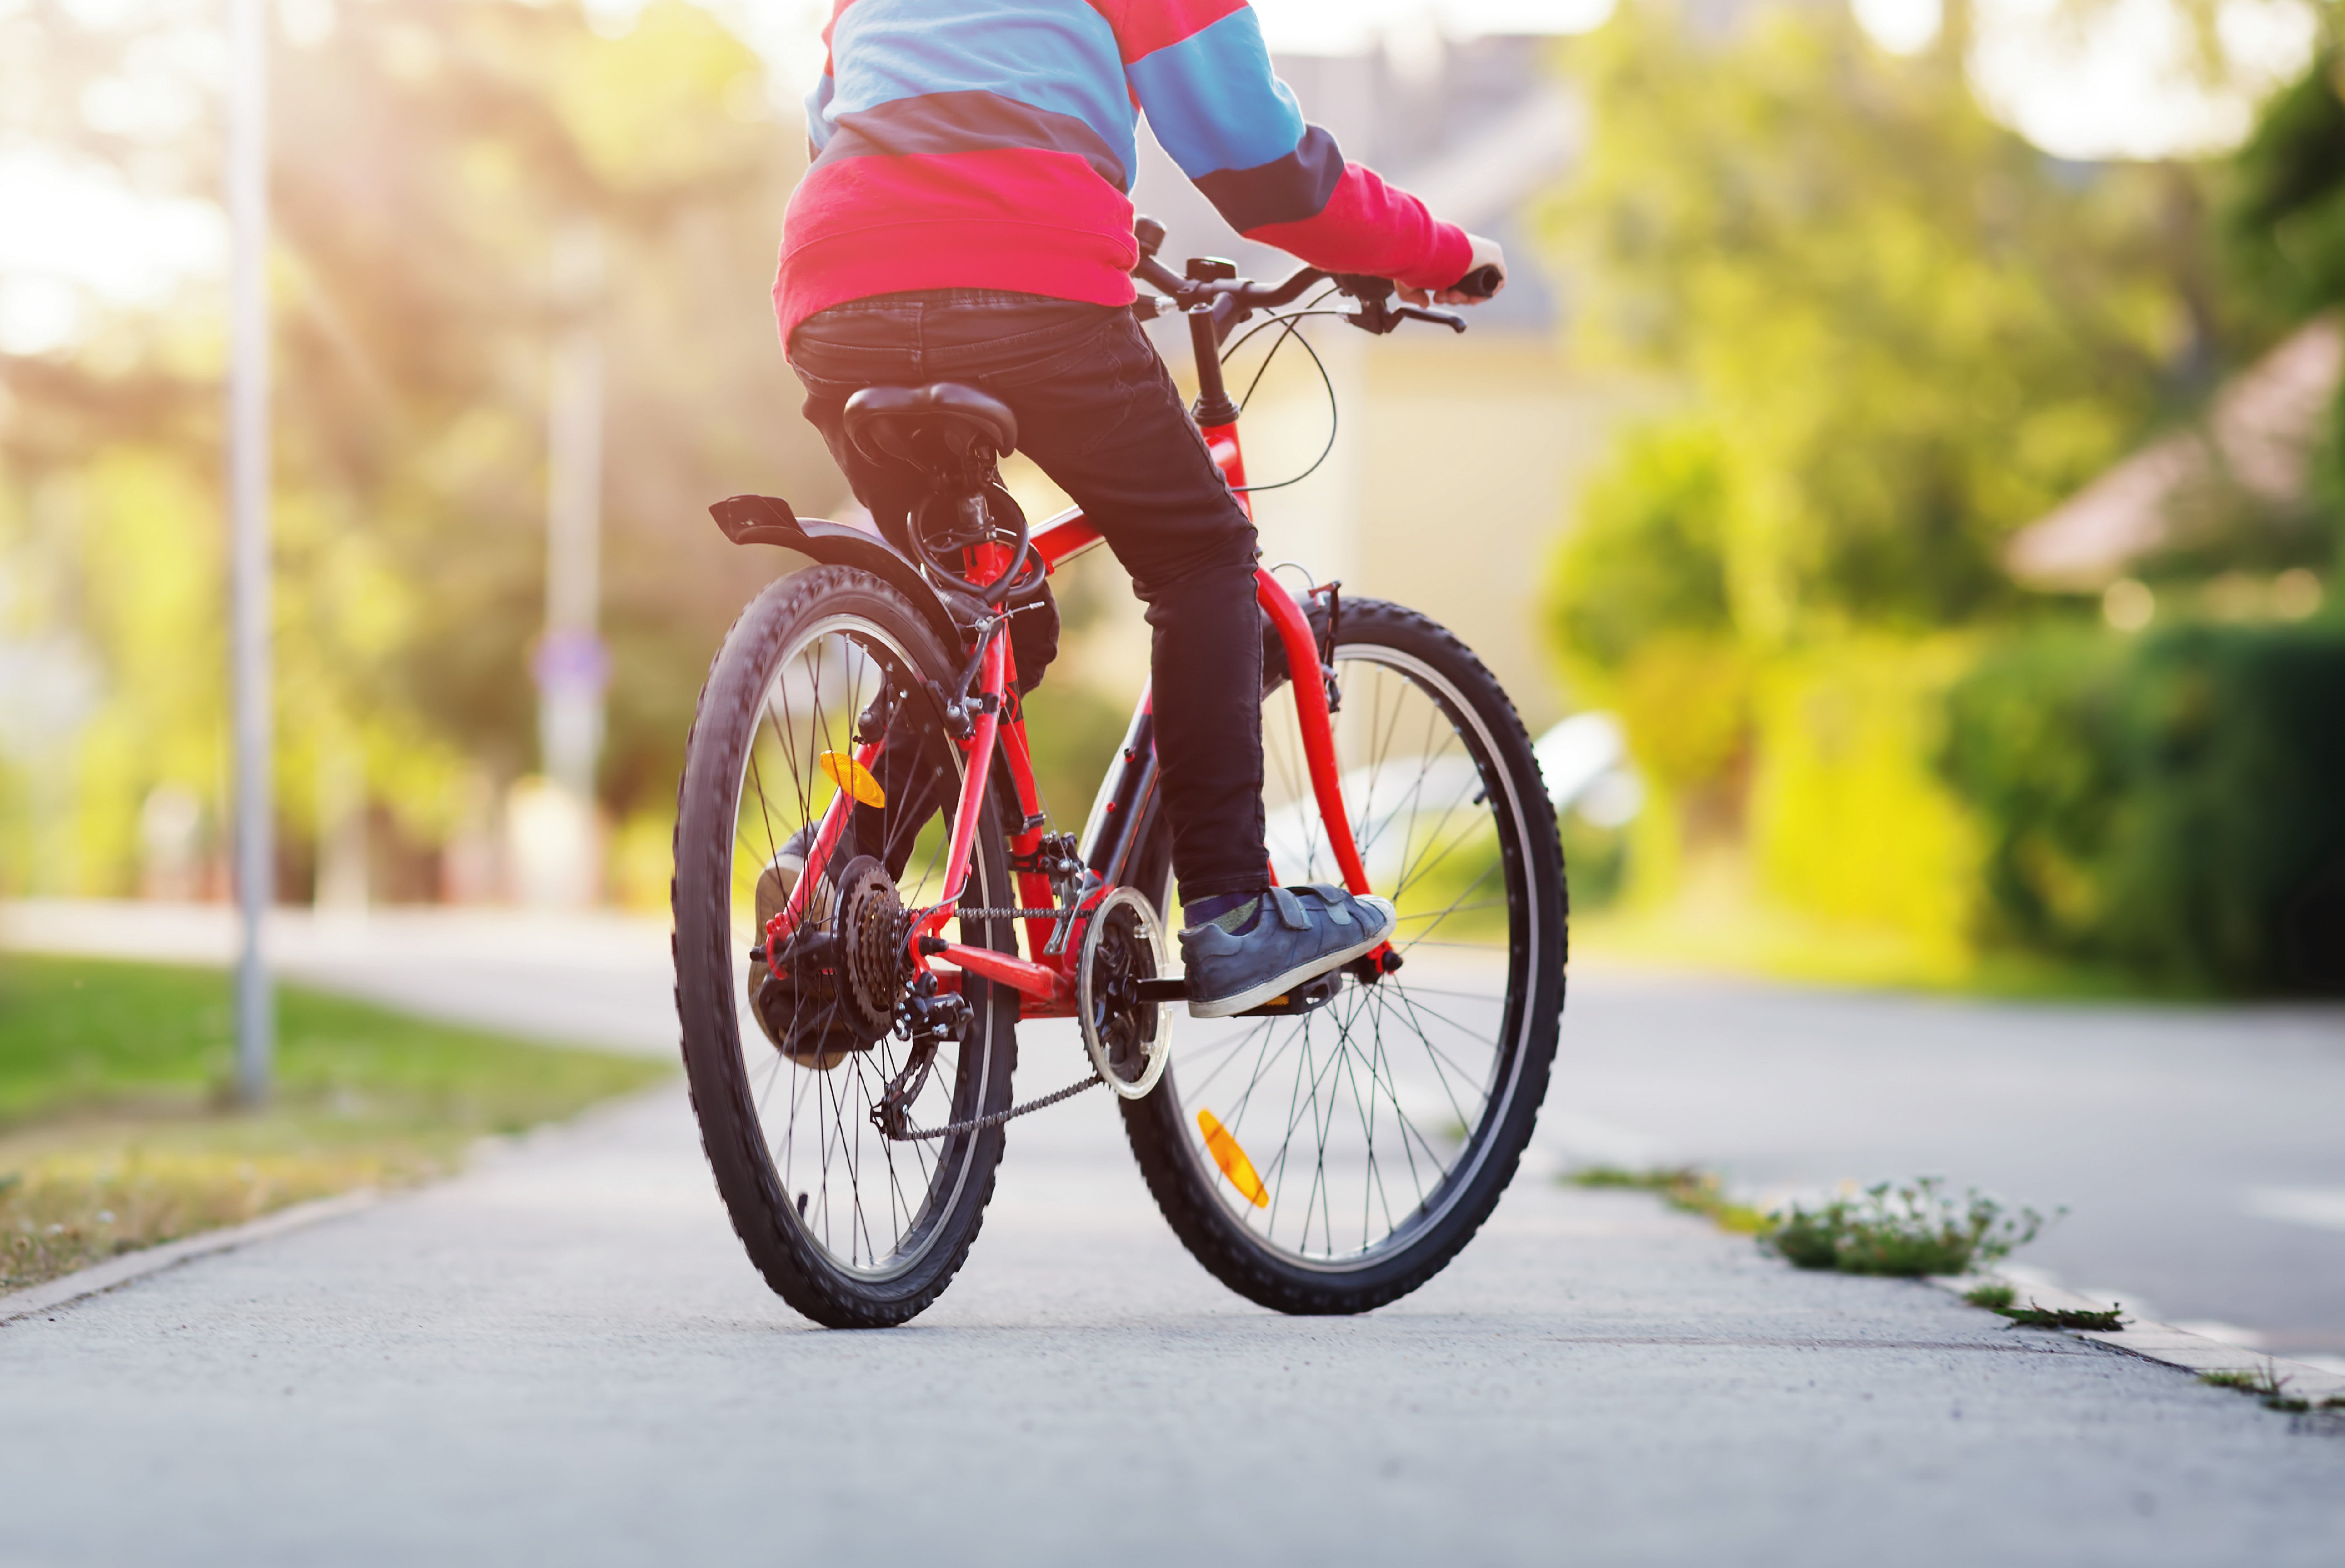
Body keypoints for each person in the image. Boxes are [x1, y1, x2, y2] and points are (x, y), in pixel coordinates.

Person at [771, 0, 1505, 1020]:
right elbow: (1262, 168)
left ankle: (833, 898)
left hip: (838, 293)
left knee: (984, 611)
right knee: (1201, 557)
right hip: (1031, 285)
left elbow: (834, 122)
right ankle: (1231, 913)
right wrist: (1435, 251)